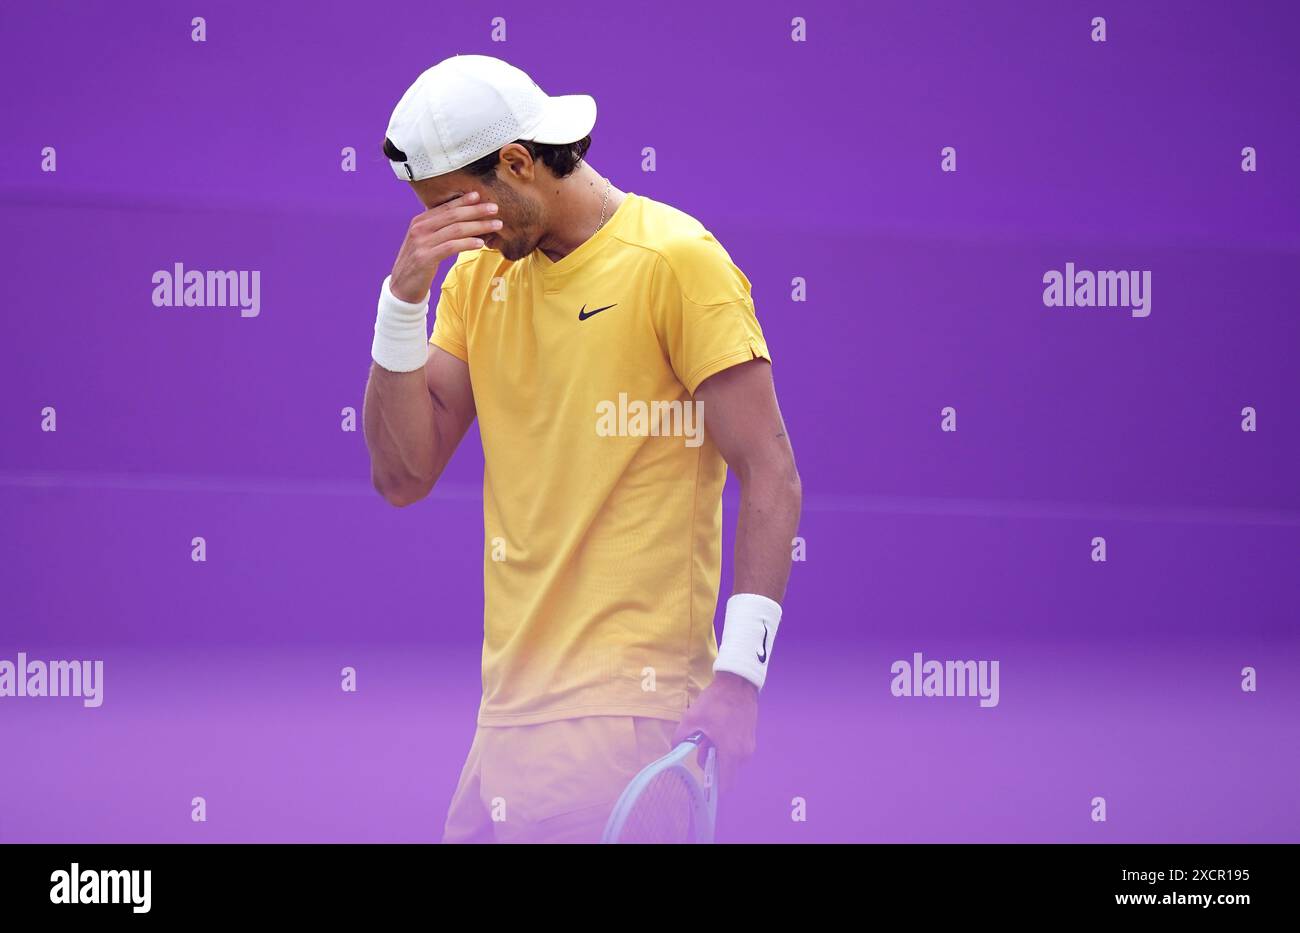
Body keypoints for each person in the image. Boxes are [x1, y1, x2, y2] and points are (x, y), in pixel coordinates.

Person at [364, 55, 801, 842]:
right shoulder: (473, 281)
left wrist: (740, 678)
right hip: (504, 722)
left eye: (451, 210)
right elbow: (402, 474)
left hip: (628, 718)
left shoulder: (678, 261)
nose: (442, 235)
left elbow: (771, 473)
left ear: (519, 164)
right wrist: (402, 300)